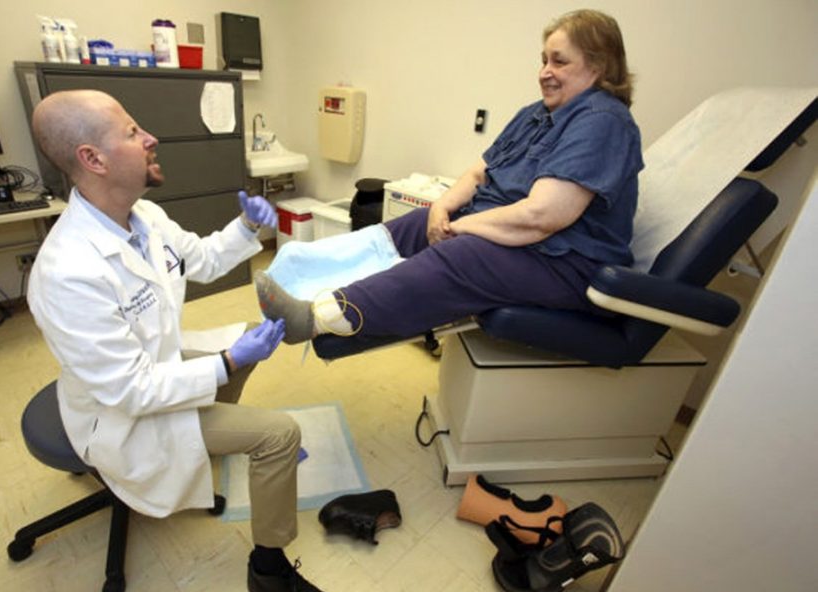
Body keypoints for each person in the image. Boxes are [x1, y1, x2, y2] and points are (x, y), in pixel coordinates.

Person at [27, 90, 342, 592]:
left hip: (155, 371)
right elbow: (130, 391)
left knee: (247, 338)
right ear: (93, 160)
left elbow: (201, 258)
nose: (150, 137)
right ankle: (268, 570)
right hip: (122, 415)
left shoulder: (141, 215)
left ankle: (204, 446)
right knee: (278, 435)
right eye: (131, 132)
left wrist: (247, 228)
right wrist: (224, 363)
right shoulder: (67, 272)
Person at [257, 9, 643, 345]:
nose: (544, 72)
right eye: (543, 60)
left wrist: (465, 227)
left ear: (598, 66)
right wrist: (441, 207)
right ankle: (298, 268)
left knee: (462, 255)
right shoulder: (537, 113)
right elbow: (479, 171)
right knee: (414, 224)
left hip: (564, 264)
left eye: (559, 62)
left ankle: (318, 318)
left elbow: (541, 216)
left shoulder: (603, 121)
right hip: (518, 241)